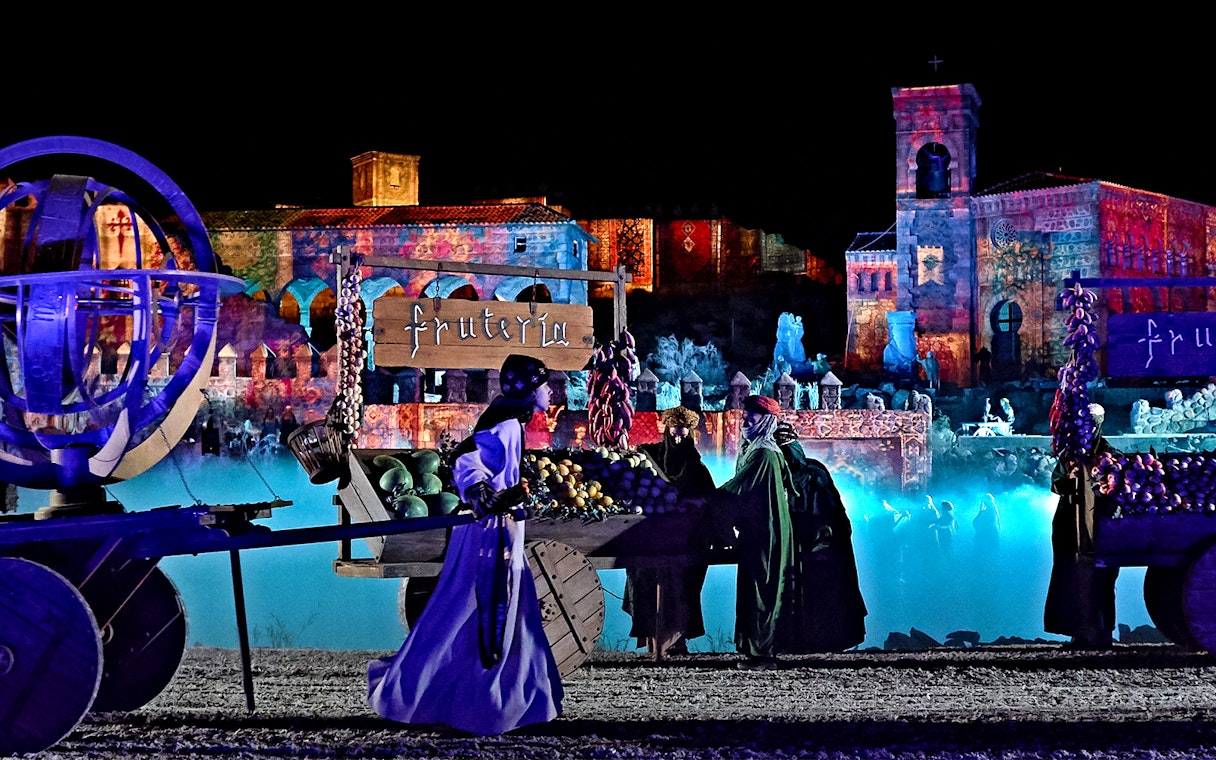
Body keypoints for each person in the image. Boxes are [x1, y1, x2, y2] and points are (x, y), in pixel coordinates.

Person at [367, 354, 563, 734]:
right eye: (545, 384)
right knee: (478, 611)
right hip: (489, 532)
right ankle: (490, 701)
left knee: (479, 613)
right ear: (528, 390)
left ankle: (505, 697)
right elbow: (466, 461)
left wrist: (509, 491)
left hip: (499, 527)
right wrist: (490, 496)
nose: (550, 391)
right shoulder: (504, 425)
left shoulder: (510, 422)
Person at [624, 405, 718, 656]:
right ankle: (655, 644)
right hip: (652, 536)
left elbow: (708, 498)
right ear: (666, 431)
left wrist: (695, 504)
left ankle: (677, 642)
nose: (678, 439)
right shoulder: (650, 458)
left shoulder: (696, 468)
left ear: (690, 434)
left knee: (681, 589)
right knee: (649, 586)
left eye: (683, 434)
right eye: (674, 433)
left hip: (685, 540)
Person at [773, 421, 867, 653]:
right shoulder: (774, 473)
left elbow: (832, 512)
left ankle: (825, 640)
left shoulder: (814, 473)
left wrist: (821, 537)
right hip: (791, 545)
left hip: (821, 548)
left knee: (822, 596)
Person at [718, 394, 794, 670]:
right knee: (756, 588)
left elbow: (737, 489)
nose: (746, 419)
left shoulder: (763, 453)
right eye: (745, 414)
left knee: (762, 589)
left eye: (754, 415)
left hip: (766, 532)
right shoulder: (758, 448)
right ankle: (758, 653)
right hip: (760, 530)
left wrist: (703, 501)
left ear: (768, 420)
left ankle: (764, 654)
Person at [1044, 402, 1120, 649]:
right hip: (1069, 527)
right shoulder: (1070, 455)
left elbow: (1116, 492)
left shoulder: (1111, 455)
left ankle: (1103, 632)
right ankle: (1079, 633)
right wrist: (1071, 479)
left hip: (1099, 529)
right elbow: (1056, 484)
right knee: (1070, 579)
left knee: (1103, 580)